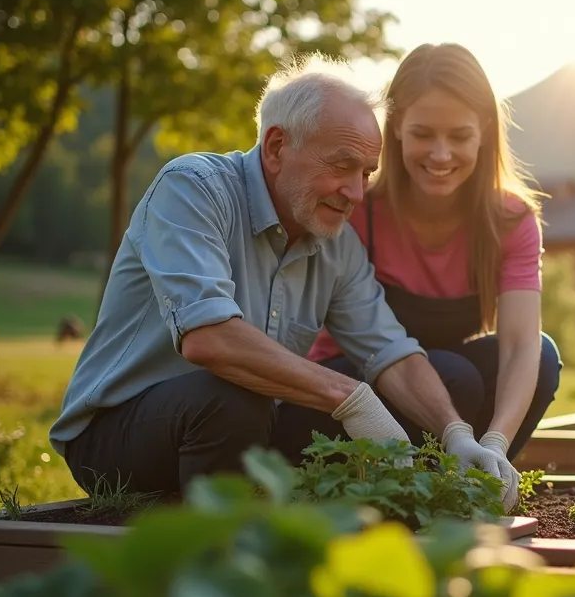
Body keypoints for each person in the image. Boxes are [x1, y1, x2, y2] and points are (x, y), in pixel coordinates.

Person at [48, 54, 520, 509]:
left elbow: (389, 349)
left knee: (433, 382)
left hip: (248, 424)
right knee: (235, 398)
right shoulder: (193, 188)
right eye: (342, 166)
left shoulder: (336, 243)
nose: (357, 193)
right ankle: (221, 544)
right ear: (276, 147)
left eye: (365, 173)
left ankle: (326, 518)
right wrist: (351, 399)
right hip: (116, 437)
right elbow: (209, 339)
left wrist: (456, 433)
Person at [301, 43, 561, 487]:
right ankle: (407, 486)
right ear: (397, 127)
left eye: (459, 136)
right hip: (353, 386)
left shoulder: (511, 220)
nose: (441, 154)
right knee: (456, 375)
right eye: (423, 134)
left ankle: (480, 476)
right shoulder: (357, 209)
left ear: (483, 130)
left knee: (543, 355)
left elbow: (521, 345)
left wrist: (496, 441)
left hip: (449, 387)